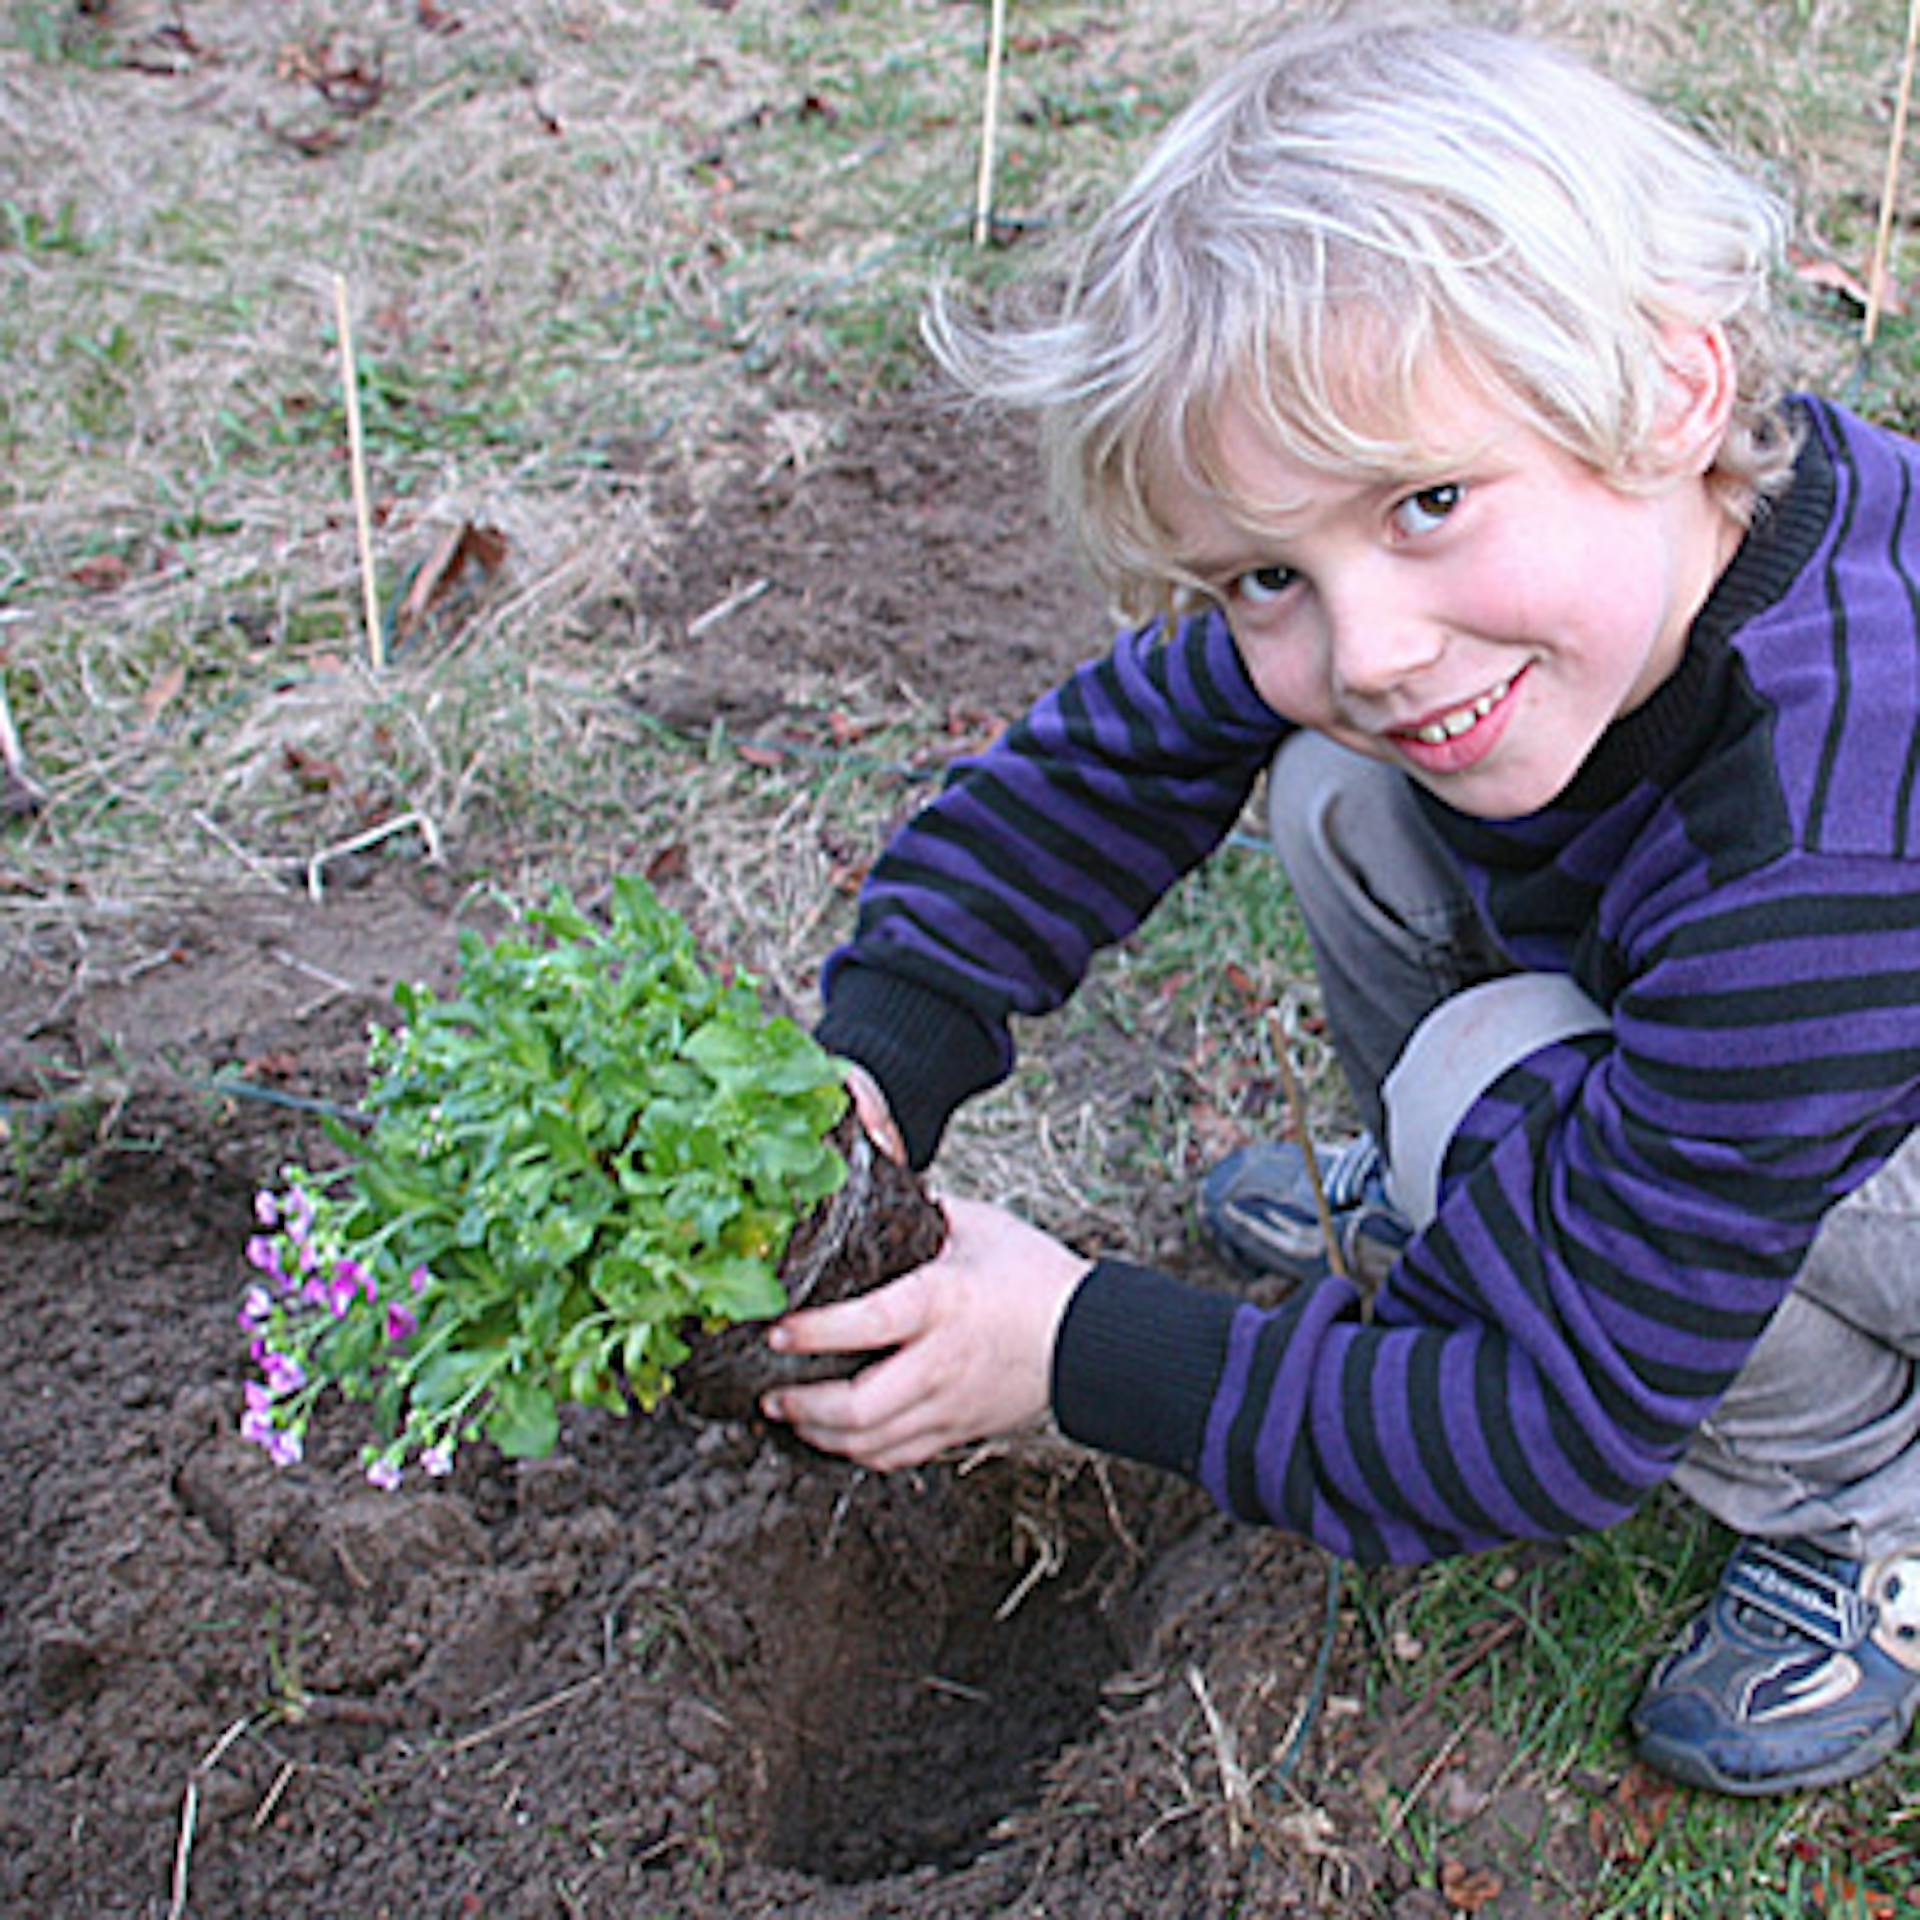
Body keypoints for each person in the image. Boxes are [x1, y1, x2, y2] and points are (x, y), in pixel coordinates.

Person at [756, 3, 1920, 1798]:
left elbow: (1552, 1426)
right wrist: (877, 1061)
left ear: (1675, 388)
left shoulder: (1812, 859)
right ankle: (1485, 1211)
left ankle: (1865, 1500)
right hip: (1800, 1042)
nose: (1365, 642)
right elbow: (1104, 761)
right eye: (1263, 574)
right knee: (1347, 779)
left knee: (1485, 1087)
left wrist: (1073, 1352)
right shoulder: (1591, 534)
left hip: (1850, 1069)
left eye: (1431, 503)